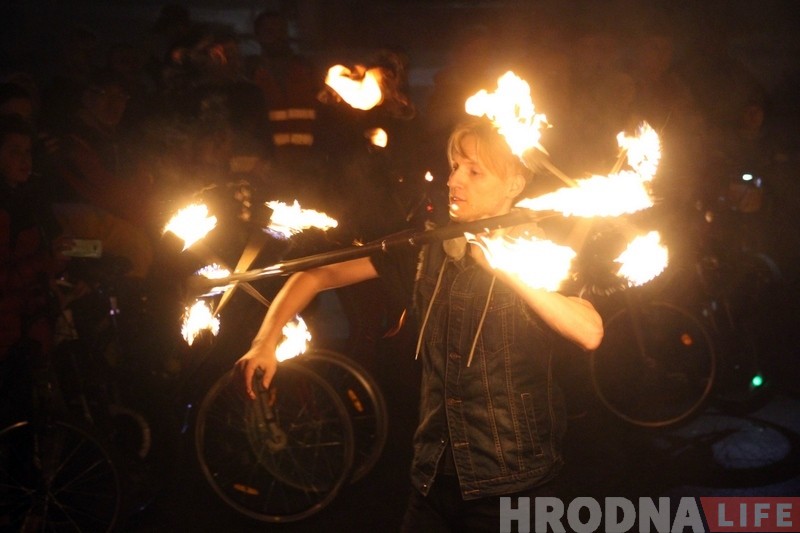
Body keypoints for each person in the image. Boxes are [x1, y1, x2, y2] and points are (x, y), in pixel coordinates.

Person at [234, 117, 603, 531]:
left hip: (514, 490)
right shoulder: (426, 249)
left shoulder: (541, 253)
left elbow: (588, 332)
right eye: (454, 167)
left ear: (514, 184)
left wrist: (507, 268)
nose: (454, 181)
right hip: (432, 480)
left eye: (474, 171)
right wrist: (265, 341)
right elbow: (315, 275)